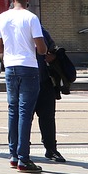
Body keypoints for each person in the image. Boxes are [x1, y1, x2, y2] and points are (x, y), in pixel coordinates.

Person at [0, 0, 48, 173]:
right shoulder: (31, 18)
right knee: (25, 112)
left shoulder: (1, 17)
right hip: (29, 67)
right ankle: (23, 158)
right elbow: (42, 49)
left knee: (13, 110)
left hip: (10, 67)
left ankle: (13, 155)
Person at [35, 28, 67, 163]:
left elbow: (52, 47)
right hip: (26, 81)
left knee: (47, 116)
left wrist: (52, 55)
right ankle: (22, 149)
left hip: (44, 79)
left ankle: (51, 148)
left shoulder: (39, 29)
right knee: (24, 117)